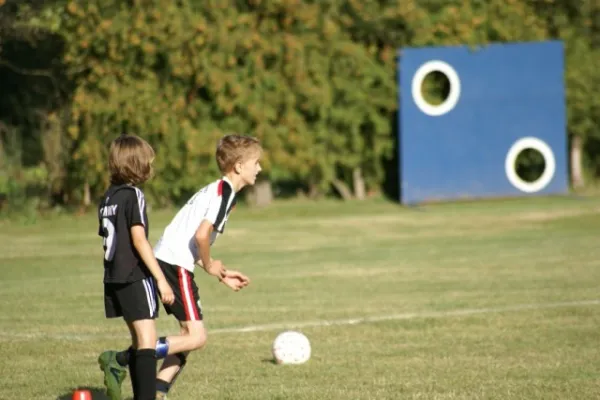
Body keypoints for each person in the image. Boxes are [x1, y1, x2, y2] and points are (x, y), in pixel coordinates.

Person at [99, 133, 261, 399]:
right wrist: (209, 265)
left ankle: (159, 390)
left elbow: (191, 239)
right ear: (239, 166)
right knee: (196, 336)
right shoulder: (224, 194)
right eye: (256, 162)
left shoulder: (219, 191)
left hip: (173, 260)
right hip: (174, 264)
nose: (260, 168)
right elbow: (200, 236)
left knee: (189, 334)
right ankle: (122, 359)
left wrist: (219, 272)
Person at [96, 134, 175, 400]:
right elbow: (139, 240)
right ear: (135, 164)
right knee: (147, 343)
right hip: (134, 275)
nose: (150, 166)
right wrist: (161, 279)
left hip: (114, 278)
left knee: (140, 340)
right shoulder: (133, 195)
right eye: (147, 161)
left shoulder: (108, 198)